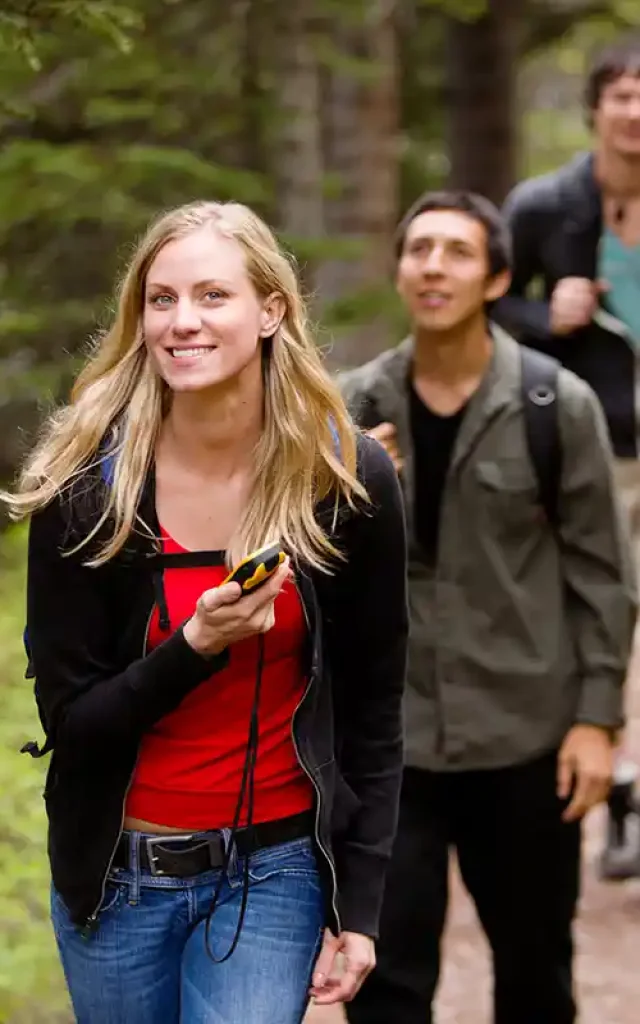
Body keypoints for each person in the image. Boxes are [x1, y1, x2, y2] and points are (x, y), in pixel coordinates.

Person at [4, 200, 408, 1024]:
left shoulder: (344, 482)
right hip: (117, 878)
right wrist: (194, 645)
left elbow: (374, 708)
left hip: (274, 869)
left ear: (271, 311)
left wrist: (358, 909)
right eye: (162, 299)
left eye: (212, 297)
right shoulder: (88, 493)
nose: (182, 322)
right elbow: (75, 726)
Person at [340, 190, 636, 1024]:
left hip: (526, 736)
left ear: (498, 277)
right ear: (399, 270)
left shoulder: (557, 404)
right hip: (389, 746)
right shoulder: (347, 410)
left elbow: (604, 576)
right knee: (384, 980)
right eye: (418, 249)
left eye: (457, 252)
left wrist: (595, 720)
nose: (433, 266)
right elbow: (306, 577)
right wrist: (356, 495)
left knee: (535, 971)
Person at [497, 33, 640, 560]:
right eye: (623, 96)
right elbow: (487, 304)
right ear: (596, 109)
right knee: (599, 606)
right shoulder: (543, 206)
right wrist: (546, 315)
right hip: (589, 443)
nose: (635, 112)